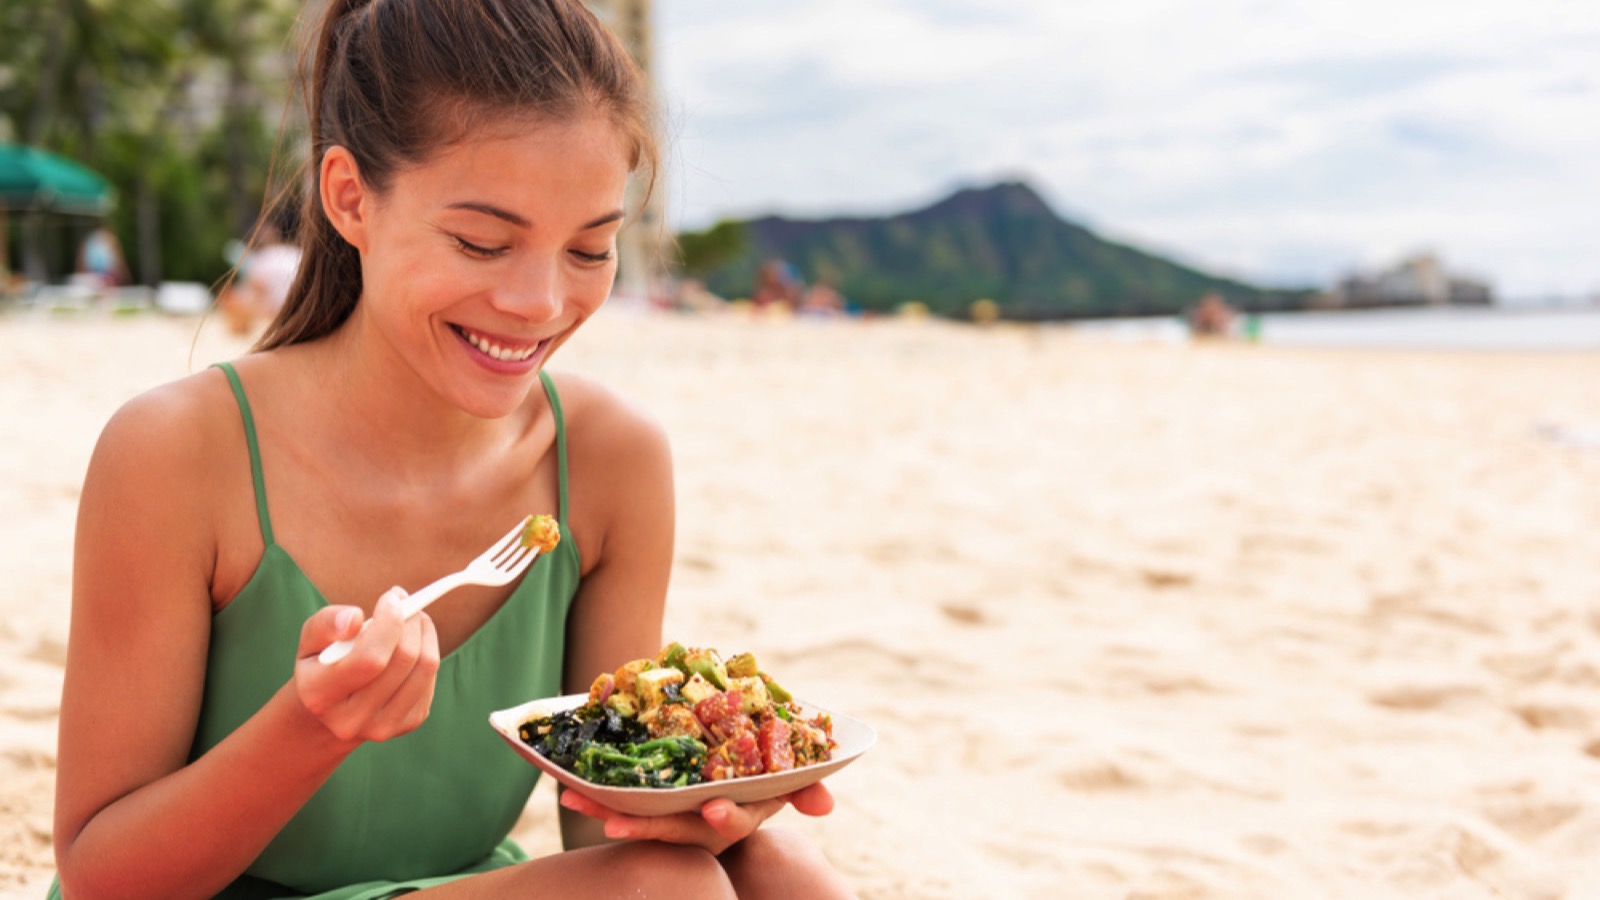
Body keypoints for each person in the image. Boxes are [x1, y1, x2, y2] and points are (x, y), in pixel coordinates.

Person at [49, 2, 856, 898]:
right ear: (351, 197)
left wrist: (710, 789)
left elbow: (605, 829)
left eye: (591, 248)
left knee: (776, 868)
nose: (540, 302)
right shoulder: (178, 453)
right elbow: (101, 879)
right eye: (482, 242)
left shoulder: (609, 459)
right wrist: (312, 728)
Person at [220, 207, 304, 336]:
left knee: (250, 298)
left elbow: (257, 290)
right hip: (307, 302)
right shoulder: (291, 253)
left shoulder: (261, 262)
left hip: (288, 308)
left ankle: (238, 318)